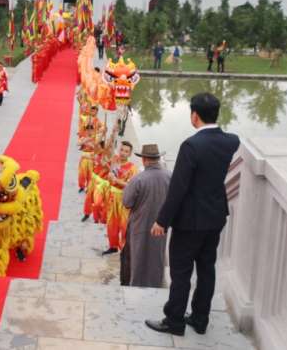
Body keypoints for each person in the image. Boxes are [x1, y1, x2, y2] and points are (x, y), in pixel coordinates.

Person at [145, 93, 240, 337]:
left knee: (181, 272)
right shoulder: (231, 141)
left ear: (194, 116)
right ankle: (200, 318)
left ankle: (174, 320)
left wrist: (161, 221)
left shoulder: (191, 145)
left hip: (189, 222)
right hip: (215, 217)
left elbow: (178, 189)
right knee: (207, 269)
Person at [121, 144, 170, 287]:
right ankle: (155, 284)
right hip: (161, 225)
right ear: (158, 158)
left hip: (139, 225)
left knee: (137, 256)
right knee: (156, 256)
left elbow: (127, 202)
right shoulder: (170, 176)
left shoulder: (138, 179)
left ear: (143, 159)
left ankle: (135, 286)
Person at [102, 140, 138, 255]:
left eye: (126, 151)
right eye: (122, 150)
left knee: (124, 225)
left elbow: (131, 185)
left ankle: (124, 249)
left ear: (130, 154)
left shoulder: (132, 168)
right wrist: (109, 176)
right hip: (112, 196)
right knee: (111, 222)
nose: (123, 153)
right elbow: (105, 157)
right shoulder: (115, 160)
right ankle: (113, 246)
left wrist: (117, 180)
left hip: (124, 197)